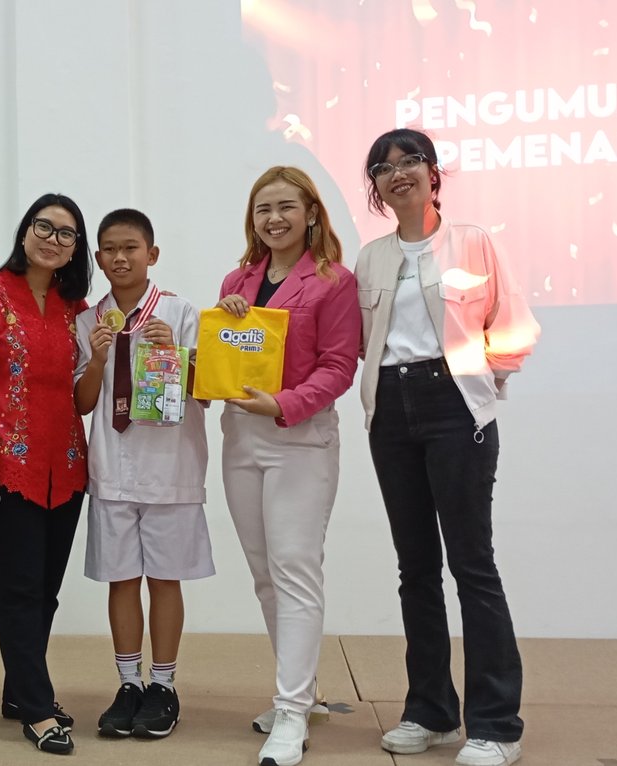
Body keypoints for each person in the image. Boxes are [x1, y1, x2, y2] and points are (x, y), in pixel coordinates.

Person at [356, 128, 539, 766]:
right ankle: (430, 711)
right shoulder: (371, 258)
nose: (397, 173)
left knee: (472, 566)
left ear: (434, 174)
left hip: (453, 406)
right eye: (383, 167)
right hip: (389, 410)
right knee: (415, 570)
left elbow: (511, 324)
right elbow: (361, 340)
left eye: (410, 162)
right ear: (375, 188)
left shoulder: (474, 242)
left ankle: (495, 724)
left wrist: (482, 385)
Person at [215, 166, 361, 766]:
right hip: (240, 441)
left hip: (299, 440)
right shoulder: (238, 280)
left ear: (310, 214)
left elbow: (339, 366)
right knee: (264, 574)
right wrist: (218, 339)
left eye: (284, 207)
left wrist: (284, 404)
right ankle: (300, 692)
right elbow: (227, 359)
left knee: (296, 570)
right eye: (262, 209)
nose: (273, 219)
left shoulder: (334, 282)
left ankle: (293, 711)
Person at [0, 193, 93, 755]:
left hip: (67, 466)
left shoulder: (74, 308)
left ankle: (17, 691)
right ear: (25, 230)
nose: (53, 239)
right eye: (45, 226)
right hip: (3, 467)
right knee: (18, 590)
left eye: (66, 234)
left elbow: (81, 397)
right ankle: (38, 709)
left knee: (46, 595)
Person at [73, 209, 214, 740]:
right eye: (109, 248)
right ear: (98, 258)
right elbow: (83, 404)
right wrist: (94, 362)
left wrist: (171, 354)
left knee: (165, 576)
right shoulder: (89, 322)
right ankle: (128, 682)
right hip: (111, 469)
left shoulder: (181, 314)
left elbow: (207, 390)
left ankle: (164, 684)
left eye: (130, 247)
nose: (119, 257)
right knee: (121, 578)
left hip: (171, 469)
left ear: (151, 254)